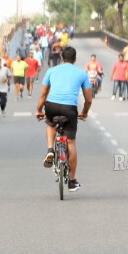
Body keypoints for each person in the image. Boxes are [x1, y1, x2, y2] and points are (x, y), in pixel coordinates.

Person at [36, 46, 92, 193]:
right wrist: (84, 112)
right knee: (71, 143)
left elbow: (43, 95)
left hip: (52, 106)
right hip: (70, 109)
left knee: (50, 123)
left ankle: (50, 150)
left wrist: (38, 110)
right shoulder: (82, 74)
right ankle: (72, 181)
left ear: (61, 58)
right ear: (75, 59)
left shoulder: (51, 71)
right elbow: (88, 99)